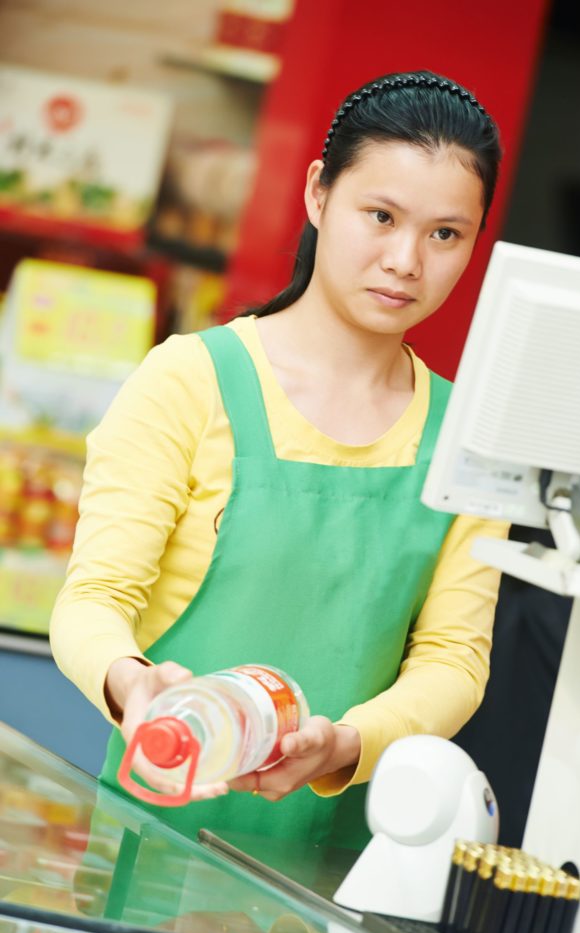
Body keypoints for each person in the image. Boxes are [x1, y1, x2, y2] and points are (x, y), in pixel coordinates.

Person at [50, 69, 508, 851]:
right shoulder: (190, 380)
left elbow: (453, 660)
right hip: (152, 832)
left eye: (444, 234)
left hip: (337, 870)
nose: (405, 260)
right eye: (380, 215)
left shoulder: (466, 435)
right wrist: (134, 684)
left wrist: (344, 747)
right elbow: (92, 600)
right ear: (318, 196)